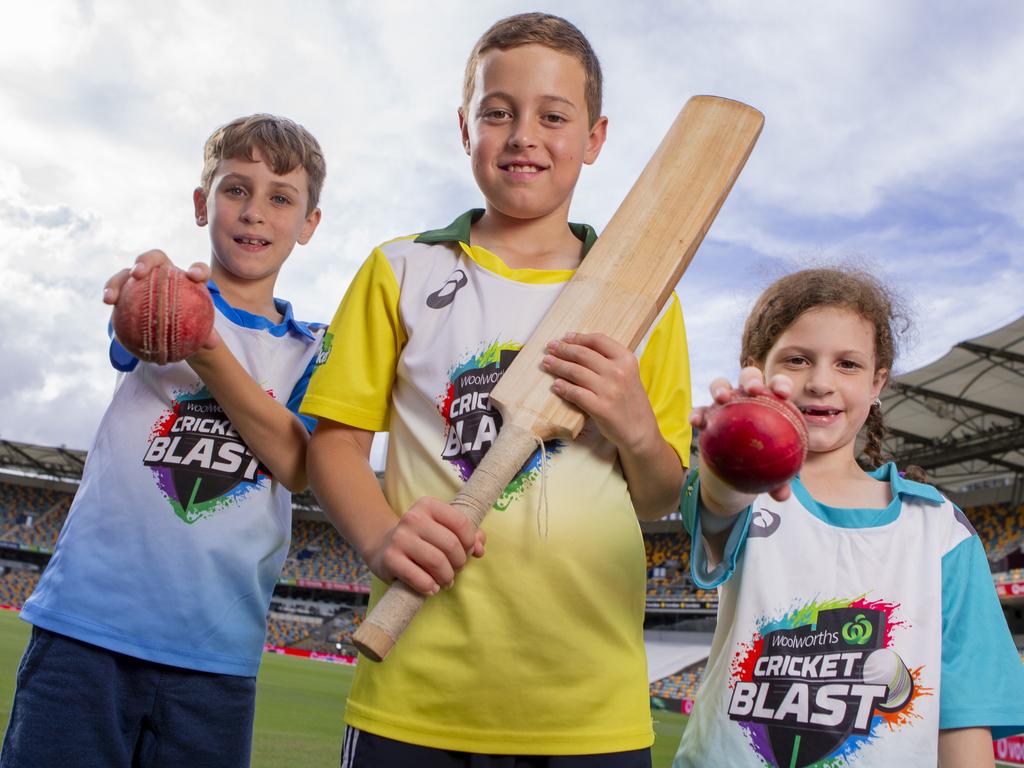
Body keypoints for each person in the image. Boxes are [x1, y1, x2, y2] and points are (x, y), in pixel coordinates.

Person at [302, 12, 692, 766]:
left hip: (590, 702)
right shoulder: (401, 269)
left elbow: (657, 494)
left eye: (554, 116)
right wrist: (382, 538)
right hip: (414, 691)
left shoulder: (651, 300)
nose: (524, 135)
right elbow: (336, 447)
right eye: (498, 112)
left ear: (595, 138)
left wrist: (636, 429)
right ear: (464, 126)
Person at [1, 114, 326, 768]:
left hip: (215, 655)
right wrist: (145, 290)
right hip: (84, 632)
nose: (254, 212)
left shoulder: (312, 348)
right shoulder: (164, 296)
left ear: (309, 224)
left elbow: (297, 463)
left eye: (280, 197)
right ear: (203, 202)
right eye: (235, 190)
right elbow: (131, 337)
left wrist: (207, 350)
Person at [673, 268, 1024, 768]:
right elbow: (719, 501)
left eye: (848, 364)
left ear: (877, 381)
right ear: (757, 369)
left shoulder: (941, 528)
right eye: (797, 360)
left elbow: (964, 718)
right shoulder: (747, 493)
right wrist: (731, 455)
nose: (820, 382)